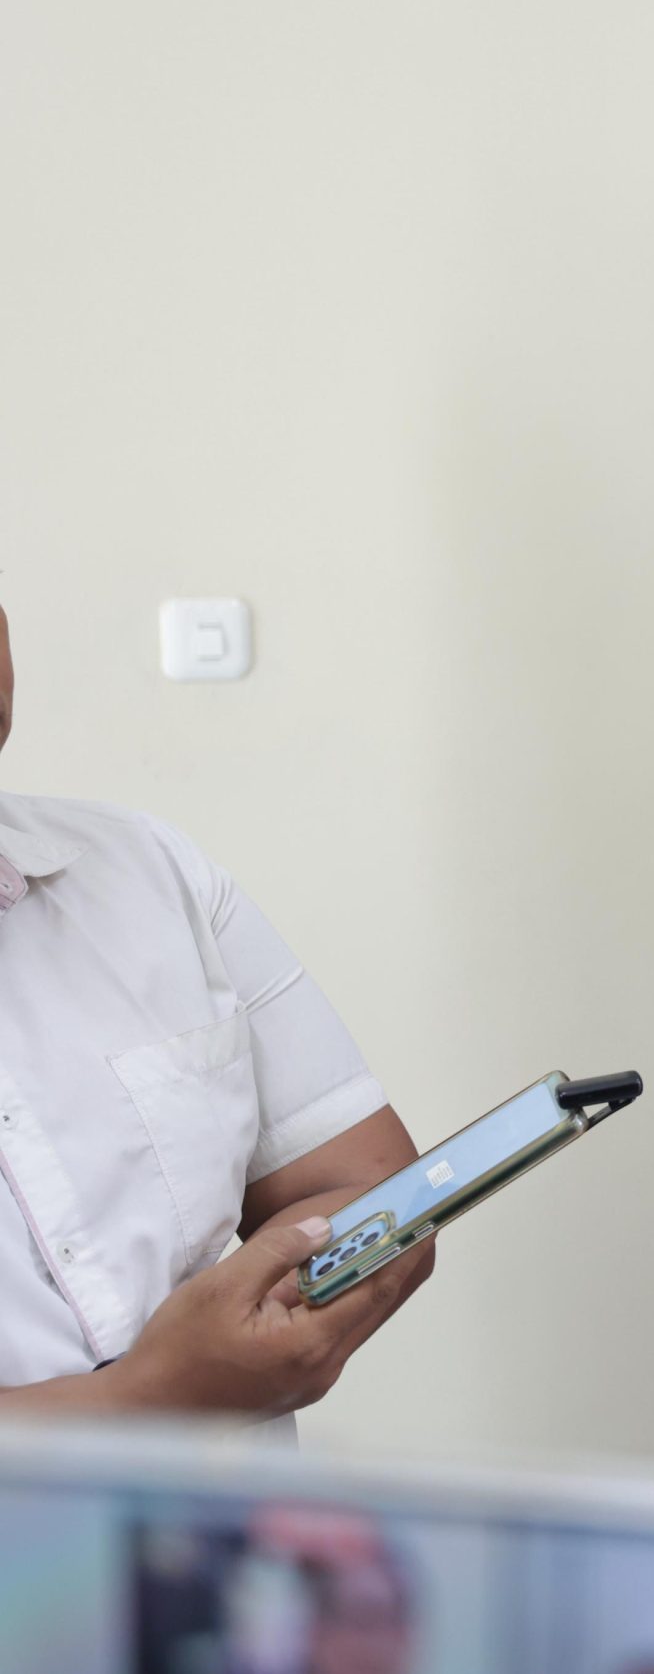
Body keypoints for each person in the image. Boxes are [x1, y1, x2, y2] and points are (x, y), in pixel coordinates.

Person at [0, 600, 430, 1419]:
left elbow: (368, 1181)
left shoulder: (151, 867)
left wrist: (275, 1307)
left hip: (231, 1501)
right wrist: (149, 1396)